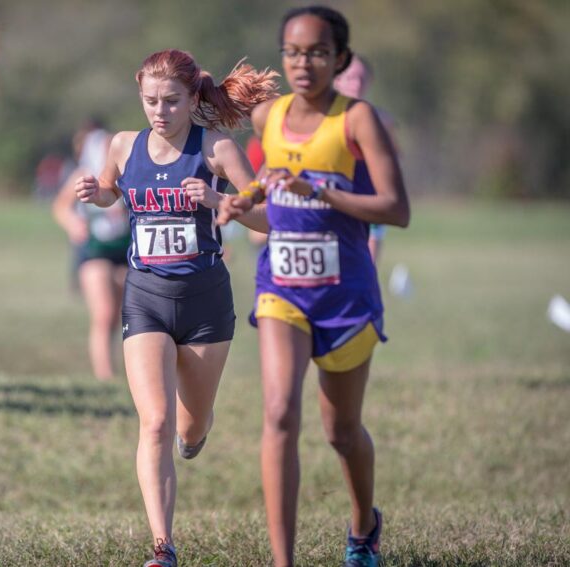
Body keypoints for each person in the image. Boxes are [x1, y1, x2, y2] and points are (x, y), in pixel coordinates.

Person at [219, 6, 409, 567]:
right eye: (294, 52)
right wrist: (245, 199)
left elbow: (395, 209)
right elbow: (271, 180)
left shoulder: (358, 121)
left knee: (341, 432)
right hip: (282, 286)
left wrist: (321, 191)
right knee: (279, 412)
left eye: (318, 53)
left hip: (346, 294)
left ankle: (363, 526)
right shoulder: (267, 118)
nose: (305, 63)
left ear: (340, 59)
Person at [76, 48, 276, 567]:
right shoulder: (123, 145)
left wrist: (218, 203)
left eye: (170, 101)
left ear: (191, 99)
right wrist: (94, 192)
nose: (159, 111)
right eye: (149, 101)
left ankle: (199, 430)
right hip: (145, 299)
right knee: (157, 423)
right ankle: (163, 547)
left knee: (190, 427)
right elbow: (109, 191)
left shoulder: (217, 151)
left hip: (206, 304)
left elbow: (270, 220)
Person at [53, 123, 130, 381]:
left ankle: (124, 371)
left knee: (123, 315)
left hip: (126, 250)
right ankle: (105, 376)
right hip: (94, 250)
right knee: (104, 313)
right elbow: (61, 206)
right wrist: (73, 223)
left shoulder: (129, 171)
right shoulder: (85, 173)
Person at [334, 54, 398, 264]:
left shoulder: (382, 120)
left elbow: (393, 161)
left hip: (370, 199)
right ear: (336, 80)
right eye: (351, 78)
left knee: (367, 267)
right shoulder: (325, 119)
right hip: (333, 199)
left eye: (362, 78)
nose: (357, 84)